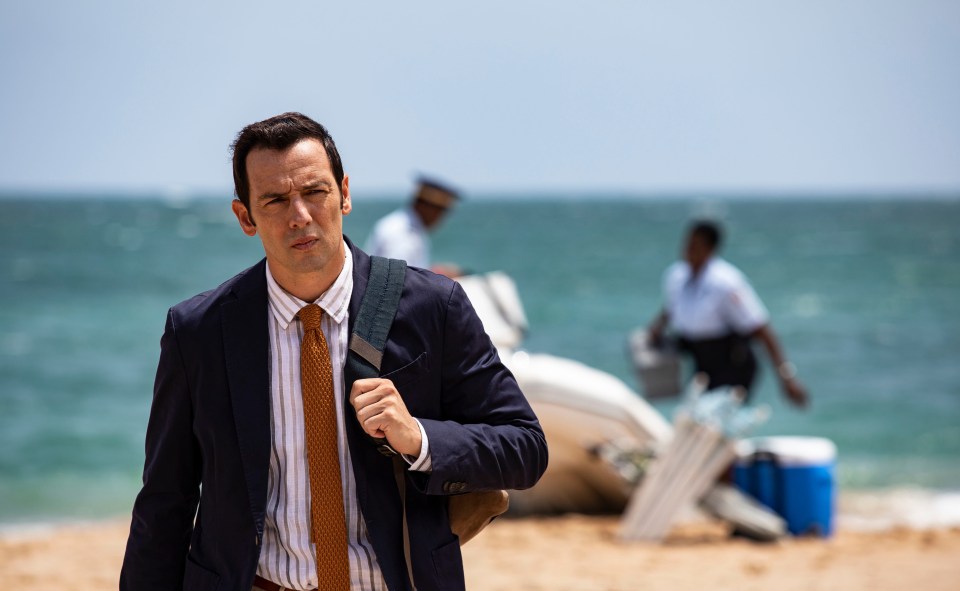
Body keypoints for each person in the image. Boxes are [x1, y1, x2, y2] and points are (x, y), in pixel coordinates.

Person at [120, 112, 548, 591]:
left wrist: (420, 439)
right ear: (246, 217)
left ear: (344, 194)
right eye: (276, 200)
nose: (299, 215)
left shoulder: (434, 307)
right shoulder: (197, 331)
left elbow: (525, 447)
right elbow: (165, 500)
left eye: (314, 192)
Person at [648, 220, 808, 407]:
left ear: (710, 248)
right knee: (696, 415)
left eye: (695, 244)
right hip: (700, 361)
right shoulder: (677, 276)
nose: (688, 249)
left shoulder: (726, 282)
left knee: (716, 420)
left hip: (731, 363)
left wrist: (786, 377)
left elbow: (761, 329)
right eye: (687, 243)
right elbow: (673, 307)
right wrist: (655, 330)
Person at [364, 176, 461, 276]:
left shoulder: (400, 224)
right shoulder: (403, 233)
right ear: (426, 207)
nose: (440, 218)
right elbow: (397, 278)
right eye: (440, 211)